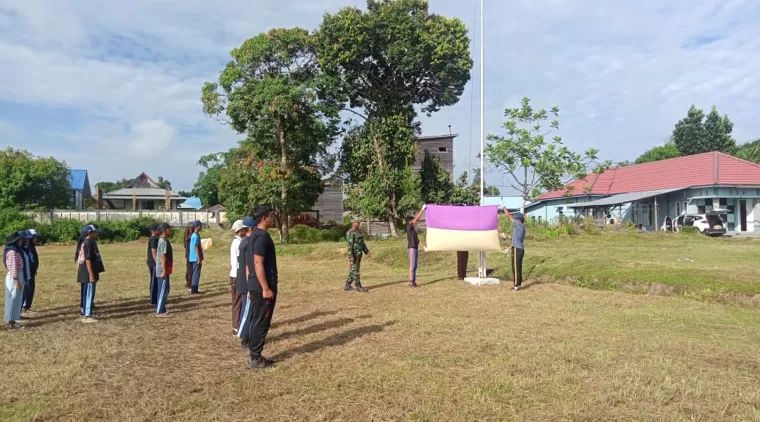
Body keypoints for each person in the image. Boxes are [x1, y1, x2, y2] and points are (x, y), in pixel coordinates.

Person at [246, 206, 278, 369]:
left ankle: (255, 354)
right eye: (271, 216)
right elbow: (257, 262)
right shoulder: (261, 237)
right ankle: (255, 358)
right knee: (262, 321)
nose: (273, 218)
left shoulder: (252, 236)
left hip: (255, 284)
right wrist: (265, 287)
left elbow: (248, 264)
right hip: (261, 286)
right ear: (265, 218)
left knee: (258, 319)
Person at [77, 224, 104, 322]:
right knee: (88, 292)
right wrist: (91, 274)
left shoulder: (89, 242)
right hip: (88, 272)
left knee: (86, 292)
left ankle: (85, 311)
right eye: (95, 232)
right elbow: (87, 259)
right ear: (89, 233)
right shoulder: (87, 243)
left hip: (87, 272)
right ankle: (87, 316)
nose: (97, 233)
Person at [236, 217, 256, 347]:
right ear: (251, 229)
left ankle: (248, 335)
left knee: (248, 309)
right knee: (247, 310)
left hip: (242, 280)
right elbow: (248, 266)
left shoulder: (243, 241)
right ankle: (244, 338)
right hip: (246, 282)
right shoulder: (248, 243)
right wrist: (250, 286)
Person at [229, 219, 250, 335]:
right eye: (244, 229)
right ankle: (237, 326)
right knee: (238, 302)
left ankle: (237, 325)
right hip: (237, 276)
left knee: (237, 301)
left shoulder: (236, 242)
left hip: (234, 275)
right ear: (241, 230)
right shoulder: (238, 243)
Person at [4, 231, 25, 329]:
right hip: (14, 277)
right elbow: (13, 267)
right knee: (12, 298)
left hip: (17, 276)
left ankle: (13, 320)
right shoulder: (12, 252)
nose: (22, 241)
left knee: (16, 299)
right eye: (20, 240)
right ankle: (10, 323)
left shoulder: (15, 250)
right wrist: (17, 281)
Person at [345, 220, 369, 293]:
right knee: (356, 270)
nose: (358, 224)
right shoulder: (350, 232)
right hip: (354, 254)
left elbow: (362, 243)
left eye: (359, 223)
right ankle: (358, 286)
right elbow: (350, 245)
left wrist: (366, 251)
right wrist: (350, 255)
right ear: (353, 223)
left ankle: (348, 285)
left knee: (353, 269)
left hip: (359, 254)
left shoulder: (359, 231)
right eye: (357, 222)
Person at [155, 223, 174, 317]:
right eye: (168, 228)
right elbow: (163, 256)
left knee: (165, 289)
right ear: (164, 230)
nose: (170, 230)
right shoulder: (163, 241)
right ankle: (160, 311)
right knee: (162, 289)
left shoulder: (164, 240)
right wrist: (164, 270)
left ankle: (162, 308)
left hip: (165, 269)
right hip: (162, 270)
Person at [504, 210, 526, 290]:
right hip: (518, 248)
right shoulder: (520, 228)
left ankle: (516, 285)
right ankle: (518, 284)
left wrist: (504, 207)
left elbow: (509, 216)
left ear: (519, 220)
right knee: (518, 267)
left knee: (515, 268)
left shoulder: (519, 225)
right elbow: (516, 241)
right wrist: (508, 249)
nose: (514, 220)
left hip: (517, 249)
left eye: (516, 219)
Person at [406, 206, 427, 288]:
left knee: (414, 265)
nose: (415, 222)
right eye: (413, 220)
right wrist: (422, 209)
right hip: (411, 248)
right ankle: (411, 282)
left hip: (415, 248)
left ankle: (413, 281)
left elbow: (417, 241)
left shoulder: (413, 231)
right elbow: (417, 218)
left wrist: (424, 247)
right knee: (412, 265)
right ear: (410, 221)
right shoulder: (409, 227)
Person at [21, 229, 39, 313]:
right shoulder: (26, 246)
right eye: (35, 237)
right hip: (27, 271)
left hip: (31, 271)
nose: (36, 239)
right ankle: (25, 306)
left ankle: (27, 305)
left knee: (31, 288)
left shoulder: (30, 245)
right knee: (27, 289)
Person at [188, 221, 204, 294]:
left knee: (195, 273)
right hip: (195, 258)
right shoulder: (195, 236)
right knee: (196, 273)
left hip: (193, 257)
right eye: (200, 226)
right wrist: (199, 258)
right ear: (197, 226)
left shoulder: (195, 235)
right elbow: (196, 247)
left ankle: (194, 288)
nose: (201, 227)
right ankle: (194, 289)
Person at [147, 223, 160, 306]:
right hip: (153, 263)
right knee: (154, 281)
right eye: (158, 229)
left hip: (153, 262)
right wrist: (157, 262)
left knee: (155, 280)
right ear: (155, 231)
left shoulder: (155, 238)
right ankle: (153, 299)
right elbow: (153, 251)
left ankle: (155, 297)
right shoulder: (154, 239)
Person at [183, 222, 193, 290]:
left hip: (188, 254)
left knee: (189, 268)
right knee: (190, 269)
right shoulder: (189, 236)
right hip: (190, 254)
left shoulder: (187, 235)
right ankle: (189, 282)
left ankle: (188, 281)